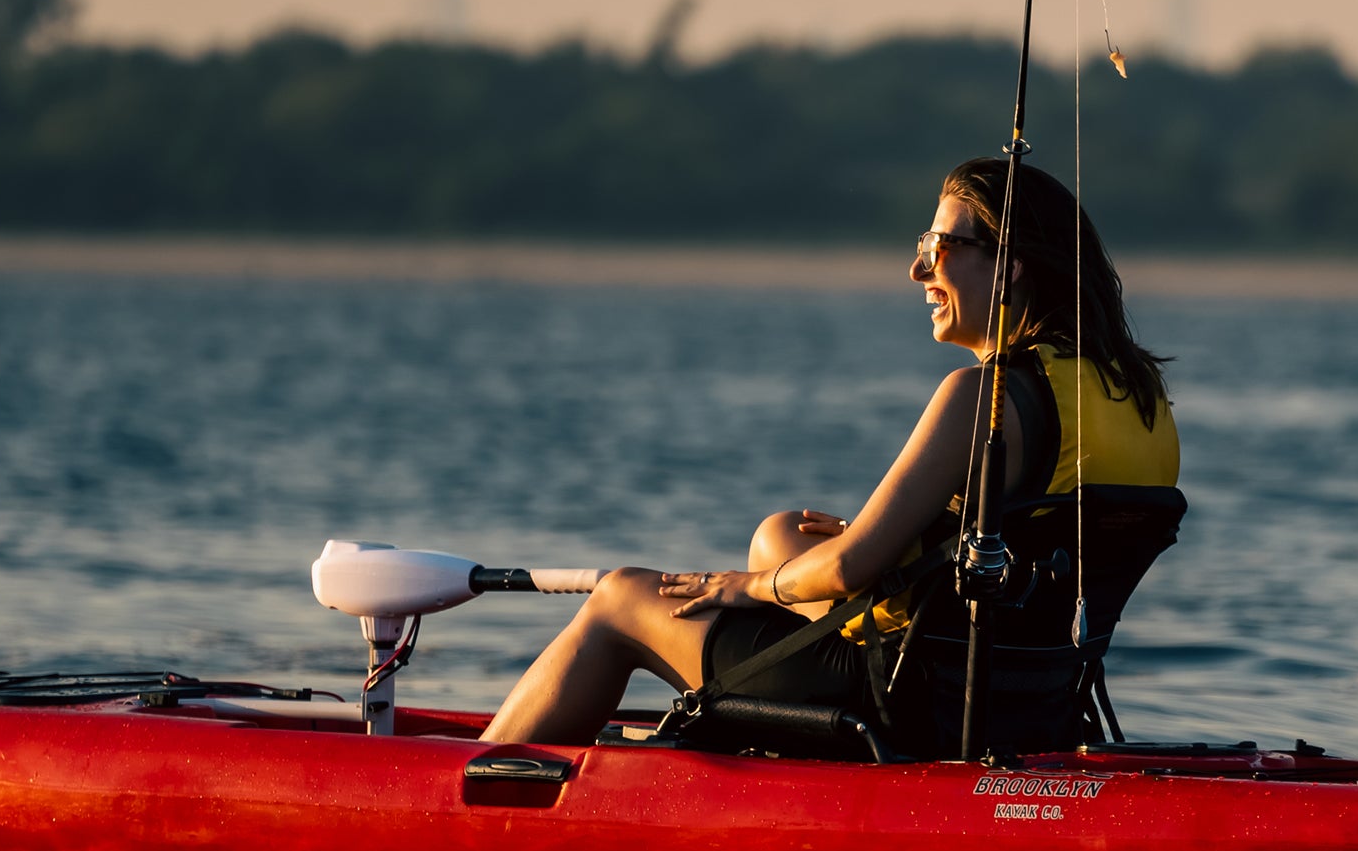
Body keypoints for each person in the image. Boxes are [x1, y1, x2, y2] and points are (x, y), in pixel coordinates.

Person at [480, 157, 1178, 746]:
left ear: (1011, 266)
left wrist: (739, 587)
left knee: (619, 598)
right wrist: (901, 553)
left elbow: (848, 568)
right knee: (782, 536)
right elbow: (1032, 549)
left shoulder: (981, 397)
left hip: (918, 706)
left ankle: (460, 789)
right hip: (1037, 701)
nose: (917, 269)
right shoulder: (1142, 400)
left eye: (940, 248)